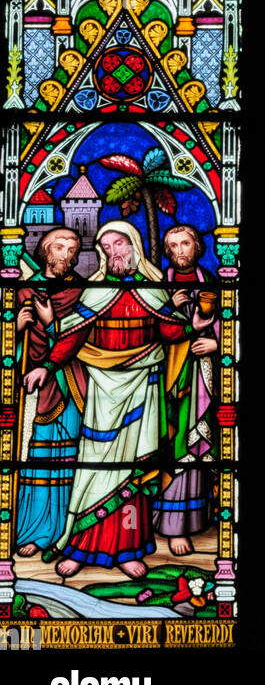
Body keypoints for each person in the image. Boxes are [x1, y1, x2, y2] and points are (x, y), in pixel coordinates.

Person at [24, 221, 189, 579]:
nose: (114, 253)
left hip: (143, 385)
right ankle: (82, 547)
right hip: (101, 390)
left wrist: (191, 319)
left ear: (134, 247)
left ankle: (127, 550)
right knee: (94, 469)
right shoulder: (95, 292)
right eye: (106, 247)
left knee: (132, 469)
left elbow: (171, 331)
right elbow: (73, 338)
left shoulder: (152, 290)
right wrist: (47, 368)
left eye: (120, 245)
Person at [15, 229, 85, 556]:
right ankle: (35, 530)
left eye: (72, 249)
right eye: (59, 247)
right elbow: (13, 344)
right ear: (45, 251)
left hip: (69, 383)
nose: (66, 255)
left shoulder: (83, 292)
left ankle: (65, 534)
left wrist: (51, 321)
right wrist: (15, 326)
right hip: (30, 388)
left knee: (68, 458)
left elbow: (78, 338)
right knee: (38, 458)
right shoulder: (23, 290)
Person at [152, 224, 219, 557]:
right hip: (162, 379)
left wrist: (216, 342)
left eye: (185, 243)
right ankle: (166, 523)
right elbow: (148, 329)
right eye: (173, 245)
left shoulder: (216, 285)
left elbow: (232, 324)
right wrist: (168, 306)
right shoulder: (157, 284)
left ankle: (190, 522)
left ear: (197, 247)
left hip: (201, 380)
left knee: (192, 447)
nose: (180, 251)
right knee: (167, 445)